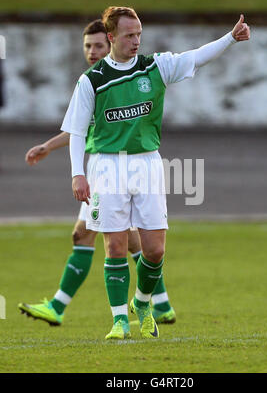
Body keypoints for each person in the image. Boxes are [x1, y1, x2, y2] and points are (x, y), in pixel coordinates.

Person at [61, 7, 250, 340]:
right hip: (107, 165)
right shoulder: (92, 80)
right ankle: (119, 320)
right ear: (111, 37)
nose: (136, 41)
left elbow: (196, 57)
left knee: (155, 249)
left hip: (147, 163)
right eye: (129, 35)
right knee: (115, 245)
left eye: (139, 34)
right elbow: (77, 131)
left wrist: (230, 39)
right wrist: (78, 174)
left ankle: (142, 302)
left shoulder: (155, 67)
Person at [18, 19, 176, 327]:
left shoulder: (114, 79)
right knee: (121, 240)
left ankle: (59, 306)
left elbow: (83, 130)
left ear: (111, 44)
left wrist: (55, 152)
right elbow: (79, 129)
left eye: (98, 46)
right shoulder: (94, 82)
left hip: (109, 172)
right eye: (88, 46)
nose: (92, 52)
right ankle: (161, 303)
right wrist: (49, 146)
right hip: (103, 170)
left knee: (102, 237)